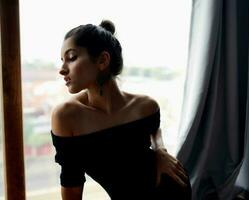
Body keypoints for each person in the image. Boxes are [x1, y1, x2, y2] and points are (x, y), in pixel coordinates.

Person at [50, 19, 191, 200]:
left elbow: (155, 131)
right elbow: (71, 183)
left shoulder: (146, 106)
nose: (62, 69)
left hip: (173, 191)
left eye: (71, 58)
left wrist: (160, 151)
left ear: (102, 60)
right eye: (62, 61)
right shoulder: (67, 116)